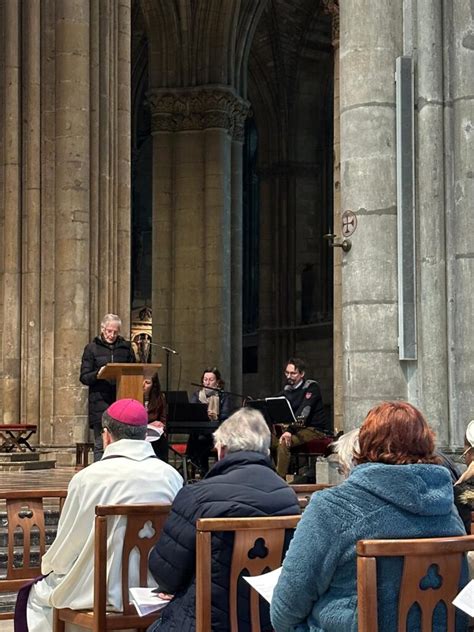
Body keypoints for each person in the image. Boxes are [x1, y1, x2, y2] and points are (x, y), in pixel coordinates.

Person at [271, 401, 468, 632]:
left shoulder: (333, 507)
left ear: (364, 444)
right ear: (427, 446)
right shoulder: (446, 508)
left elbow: (285, 610)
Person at [24, 399, 183, 632]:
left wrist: (49, 566)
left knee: (36, 599)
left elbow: (68, 545)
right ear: (145, 435)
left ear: (106, 435)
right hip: (154, 591)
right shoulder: (171, 477)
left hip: (97, 594)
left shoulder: (88, 479)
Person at [147, 407, 301, 632]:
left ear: (223, 450)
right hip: (267, 623)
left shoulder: (197, 496)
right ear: (266, 450)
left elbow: (166, 575)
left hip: (204, 622)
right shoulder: (287, 497)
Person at [80, 313, 136, 461]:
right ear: (102, 329)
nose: (112, 335)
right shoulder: (91, 348)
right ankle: (99, 475)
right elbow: (84, 377)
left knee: (122, 443)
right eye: (109, 331)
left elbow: (133, 370)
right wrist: (98, 374)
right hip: (100, 402)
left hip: (121, 400)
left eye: (115, 332)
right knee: (100, 443)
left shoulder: (126, 348)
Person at [272, 358, 326, 478]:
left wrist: (289, 431)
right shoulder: (287, 390)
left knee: (283, 443)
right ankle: (268, 475)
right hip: (295, 428)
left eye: (293, 373)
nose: (289, 376)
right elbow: (273, 402)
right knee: (266, 441)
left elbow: (304, 411)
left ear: (302, 374)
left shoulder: (312, 387)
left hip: (313, 429)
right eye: (287, 373)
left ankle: (279, 480)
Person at [187, 367, 231, 474]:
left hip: (217, 433)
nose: (207, 383)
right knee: (198, 438)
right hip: (201, 432)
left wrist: (215, 417)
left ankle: (207, 471)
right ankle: (201, 470)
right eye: (205, 379)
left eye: (211, 380)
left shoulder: (224, 396)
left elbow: (225, 417)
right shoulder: (197, 395)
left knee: (203, 440)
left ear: (217, 382)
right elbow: (192, 413)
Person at [144, 372, 168, 462]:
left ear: (153, 384)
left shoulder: (159, 397)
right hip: (139, 432)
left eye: (147, 383)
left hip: (153, 434)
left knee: (161, 442)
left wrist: (161, 425)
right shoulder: (132, 396)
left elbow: (163, 418)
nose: (143, 385)